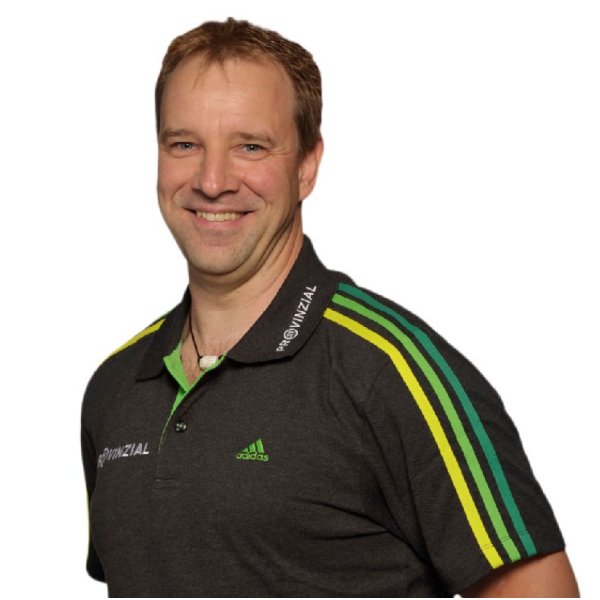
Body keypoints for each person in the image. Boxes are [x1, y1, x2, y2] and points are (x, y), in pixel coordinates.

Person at [80, 17, 579, 597]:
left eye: (250, 146)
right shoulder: (115, 388)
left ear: (307, 166)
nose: (212, 181)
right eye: (184, 145)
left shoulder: (392, 369)